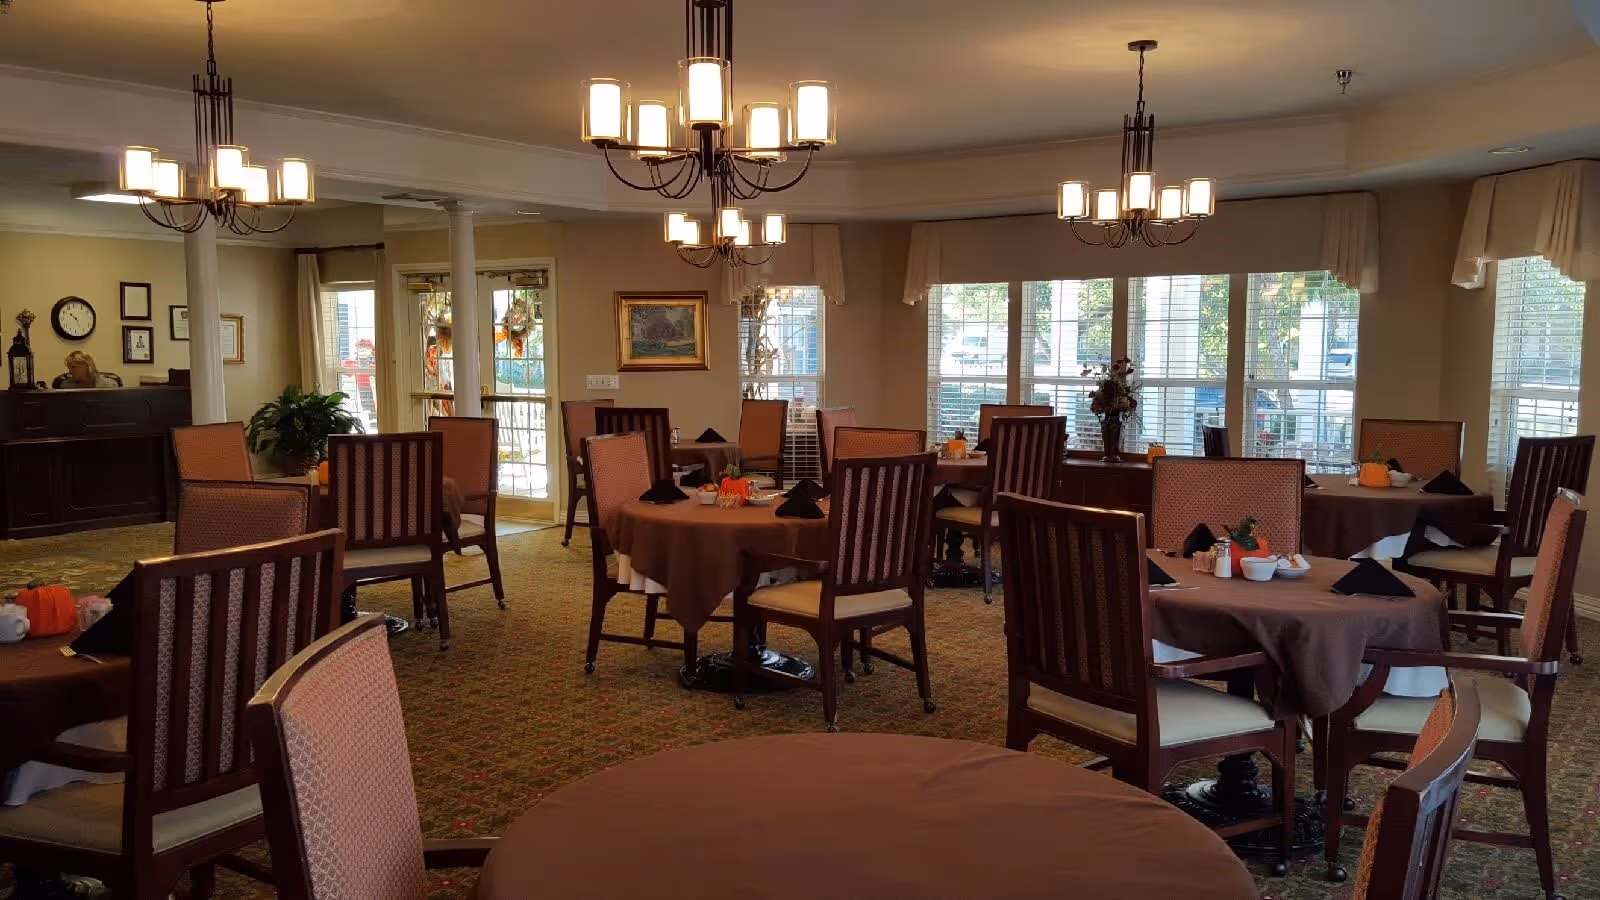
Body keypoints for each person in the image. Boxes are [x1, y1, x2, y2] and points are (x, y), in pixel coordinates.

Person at [52, 351, 122, 389]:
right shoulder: (65, 386)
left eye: (73, 367)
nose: (70, 372)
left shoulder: (109, 385)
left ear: (87, 366)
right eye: (69, 368)